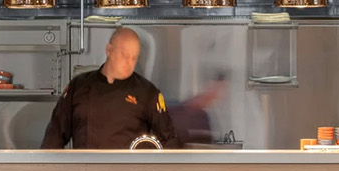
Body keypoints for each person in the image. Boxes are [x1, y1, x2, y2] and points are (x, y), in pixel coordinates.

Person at [41, 27, 179, 150]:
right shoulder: (79, 86)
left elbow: (170, 141)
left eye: (134, 58)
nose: (129, 63)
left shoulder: (147, 92)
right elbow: (54, 138)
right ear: (109, 50)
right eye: (125, 56)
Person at [167, 70, 230, 146]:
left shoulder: (204, 117)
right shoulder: (175, 113)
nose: (220, 94)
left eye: (222, 89)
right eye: (218, 88)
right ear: (208, 86)